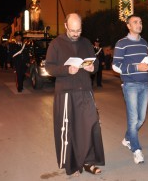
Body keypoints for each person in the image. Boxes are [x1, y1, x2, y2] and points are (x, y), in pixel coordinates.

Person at [45, 13, 105, 176]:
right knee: (69, 129)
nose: (76, 33)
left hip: (85, 90)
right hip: (66, 92)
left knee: (90, 125)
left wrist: (93, 67)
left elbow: (95, 61)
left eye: (79, 30)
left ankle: (88, 161)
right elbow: (49, 67)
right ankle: (70, 165)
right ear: (65, 26)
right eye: (73, 30)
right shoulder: (56, 44)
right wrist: (66, 70)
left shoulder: (86, 42)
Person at [112, 14, 148, 164]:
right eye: (135, 22)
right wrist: (137, 67)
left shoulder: (144, 43)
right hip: (130, 85)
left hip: (144, 83)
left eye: (140, 22)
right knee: (133, 118)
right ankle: (136, 149)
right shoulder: (121, 43)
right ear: (128, 26)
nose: (139, 24)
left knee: (141, 118)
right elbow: (116, 66)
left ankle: (127, 138)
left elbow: (144, 62)